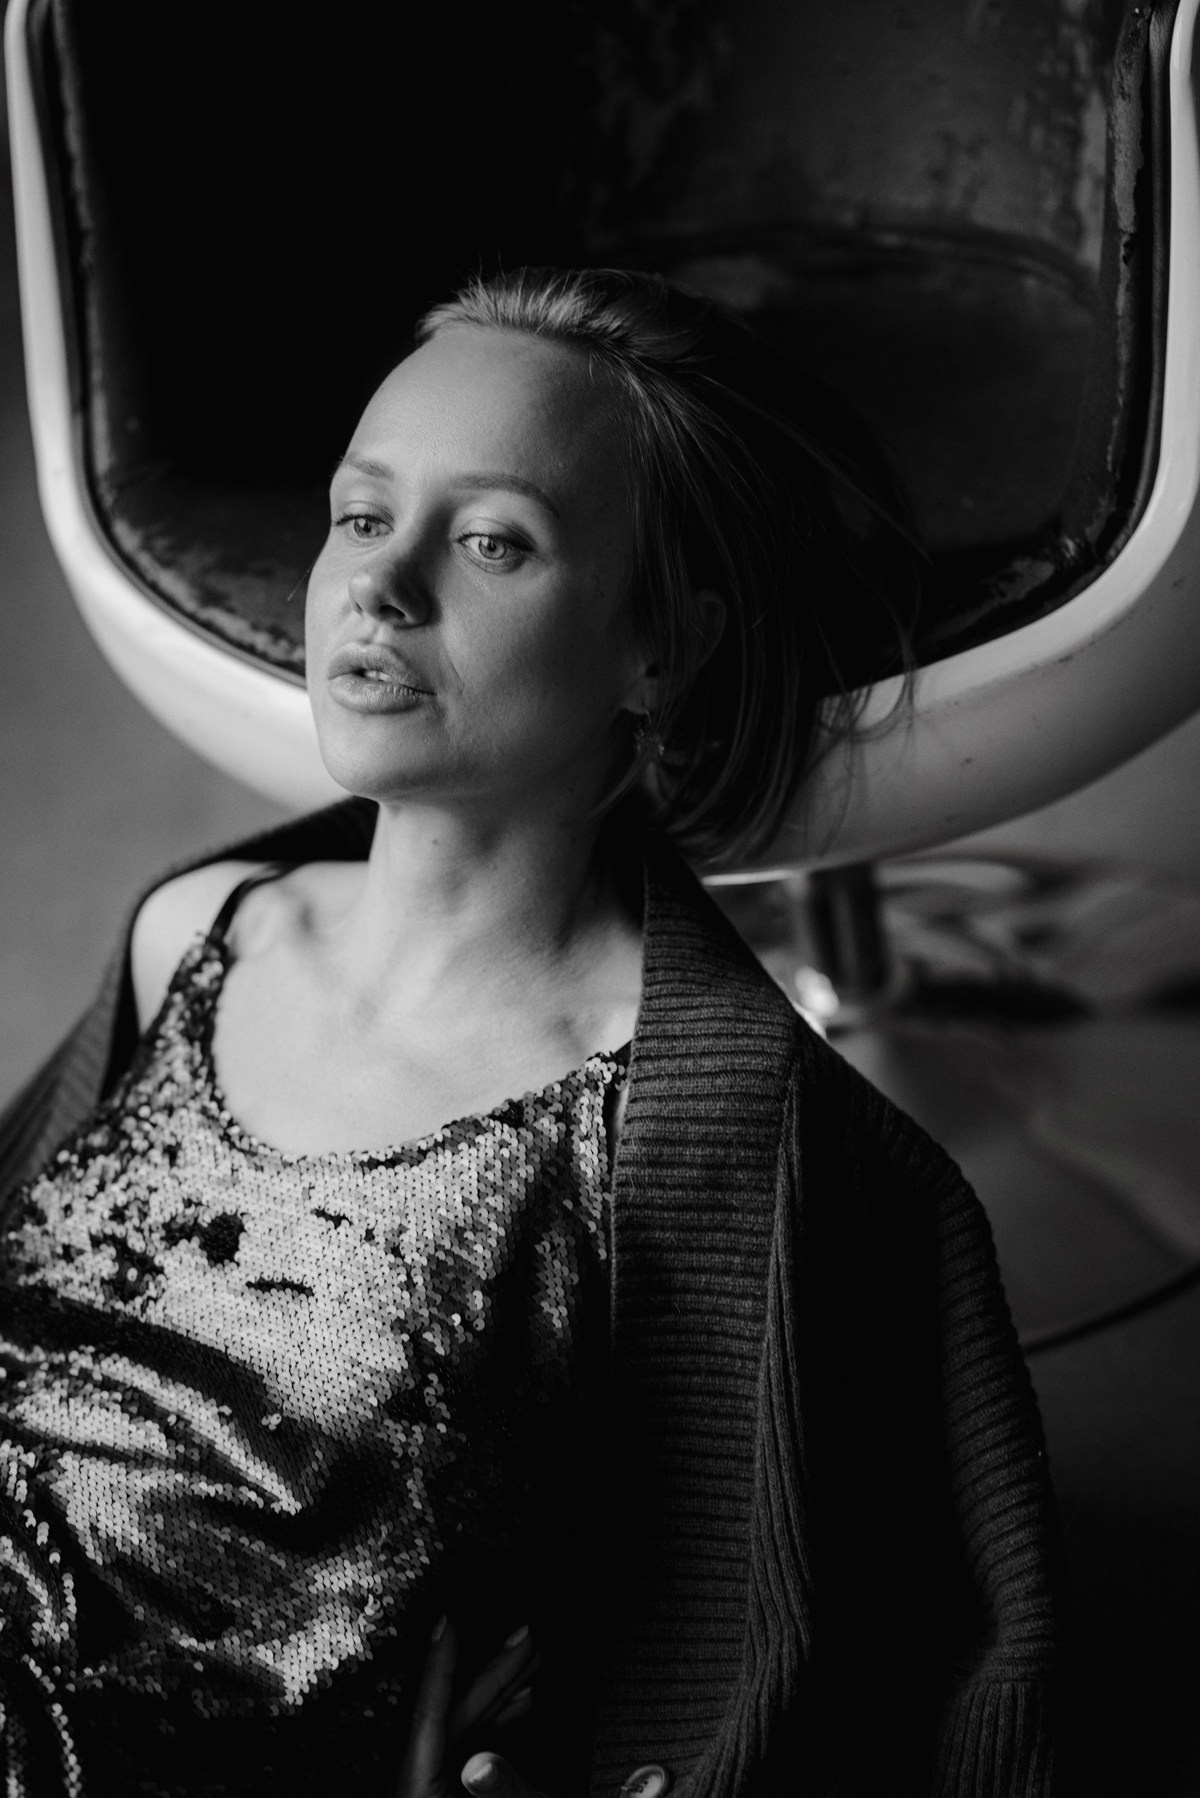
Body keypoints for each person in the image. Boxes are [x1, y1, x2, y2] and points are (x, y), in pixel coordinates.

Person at [0, 267, 1061, 1798]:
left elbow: (850, 1637)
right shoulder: (198, 933)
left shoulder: (693, 1126)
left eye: (493, 539)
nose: (379, 584)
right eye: (361, 514)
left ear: (658, 647)